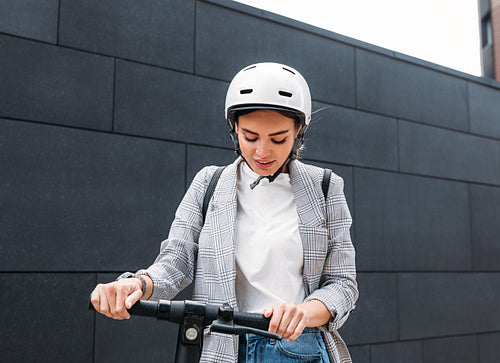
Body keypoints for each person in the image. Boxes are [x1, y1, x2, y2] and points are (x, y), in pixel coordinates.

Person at [91, 62, 358, 362]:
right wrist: (137, 284)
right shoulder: (209, 183)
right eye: (250, 136)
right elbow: (175, 261)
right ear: (234, 130)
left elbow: (342, 283)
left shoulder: (325, 188)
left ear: (299, 130)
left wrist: (302, 314)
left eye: (278, 139)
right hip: (223, 349)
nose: (262, 152)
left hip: (297, 349)